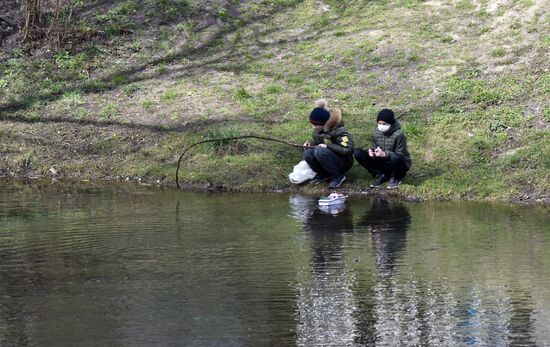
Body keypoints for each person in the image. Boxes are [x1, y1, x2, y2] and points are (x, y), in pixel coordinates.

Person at [302, 99, 354, 189]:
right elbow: (318, 143)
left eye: (316, 125)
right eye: (312, 124)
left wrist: (328, 146)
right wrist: (309, 145)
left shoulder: (340, 132)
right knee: (307, 153)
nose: (313, 127)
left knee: (320, 151)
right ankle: (322, 175)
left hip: (343, 162)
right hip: (326, 156)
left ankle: (338, 176)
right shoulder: (317, 131)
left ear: (325, 123)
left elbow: (348, 149)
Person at [353, 108, 411, 189]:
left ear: (390, 123)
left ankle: (396, 178)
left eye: (384, 124)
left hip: (398, 163)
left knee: (395, 157)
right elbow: (374, 147)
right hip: (382, 162)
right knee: (357, 152)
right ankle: (381, 174)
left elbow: (401, 155)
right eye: (379, 123)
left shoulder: (399, 135)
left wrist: (385, 154)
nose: (381, 126)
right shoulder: (375, 132)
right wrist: (372, 153)